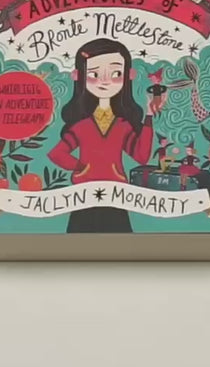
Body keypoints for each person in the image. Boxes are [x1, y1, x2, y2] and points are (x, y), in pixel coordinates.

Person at [47, 38, 159, 233]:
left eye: (116, 74)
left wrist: (149, 116)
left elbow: (142, 156)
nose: (105, 81)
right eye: (94, 74)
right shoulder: (81, 126)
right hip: (83, 195)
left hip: (117, 195)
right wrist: (81, 167)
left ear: (128, 75)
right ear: (78, 76)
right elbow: (56, 154)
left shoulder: (122, 125)